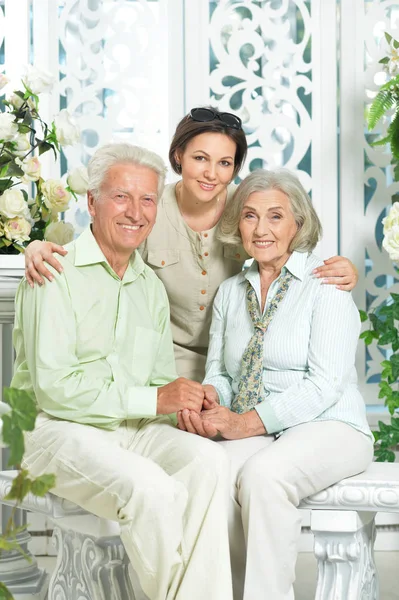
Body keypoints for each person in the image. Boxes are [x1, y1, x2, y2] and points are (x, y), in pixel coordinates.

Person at [11, 143, 233, 600]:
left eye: (148, 199)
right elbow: (54, 390)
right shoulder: (53, 270)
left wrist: (187, 406)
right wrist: (155, 400)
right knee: (152, 489)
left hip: (131, 428)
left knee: (210, 463)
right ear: (91, 202)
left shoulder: (149, 286)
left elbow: (156, 384)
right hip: (53, 429)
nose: (136, 212)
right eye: (121, 197)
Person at [24, 107, 358, 382]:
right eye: (201, 158)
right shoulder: (148, 207)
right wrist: (35, 247)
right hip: (162, 364)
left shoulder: (247, 211)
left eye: (225, 163)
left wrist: (340, 268)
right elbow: (103, 241)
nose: (211, 173)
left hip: (234, 362)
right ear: (179, 155)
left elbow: (287, 248)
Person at [177, 169, 374, 600]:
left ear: (297, 225)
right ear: (238, 225)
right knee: (215, 471)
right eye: (249, 216)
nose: (261, 228)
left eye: (275, 216)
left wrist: (244, 423)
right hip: (265, 428)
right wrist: (214, 404)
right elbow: (219, 373)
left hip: (332, 425)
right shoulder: (230, 292)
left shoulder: (327, 286)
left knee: (265, 476)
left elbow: (324, 386)